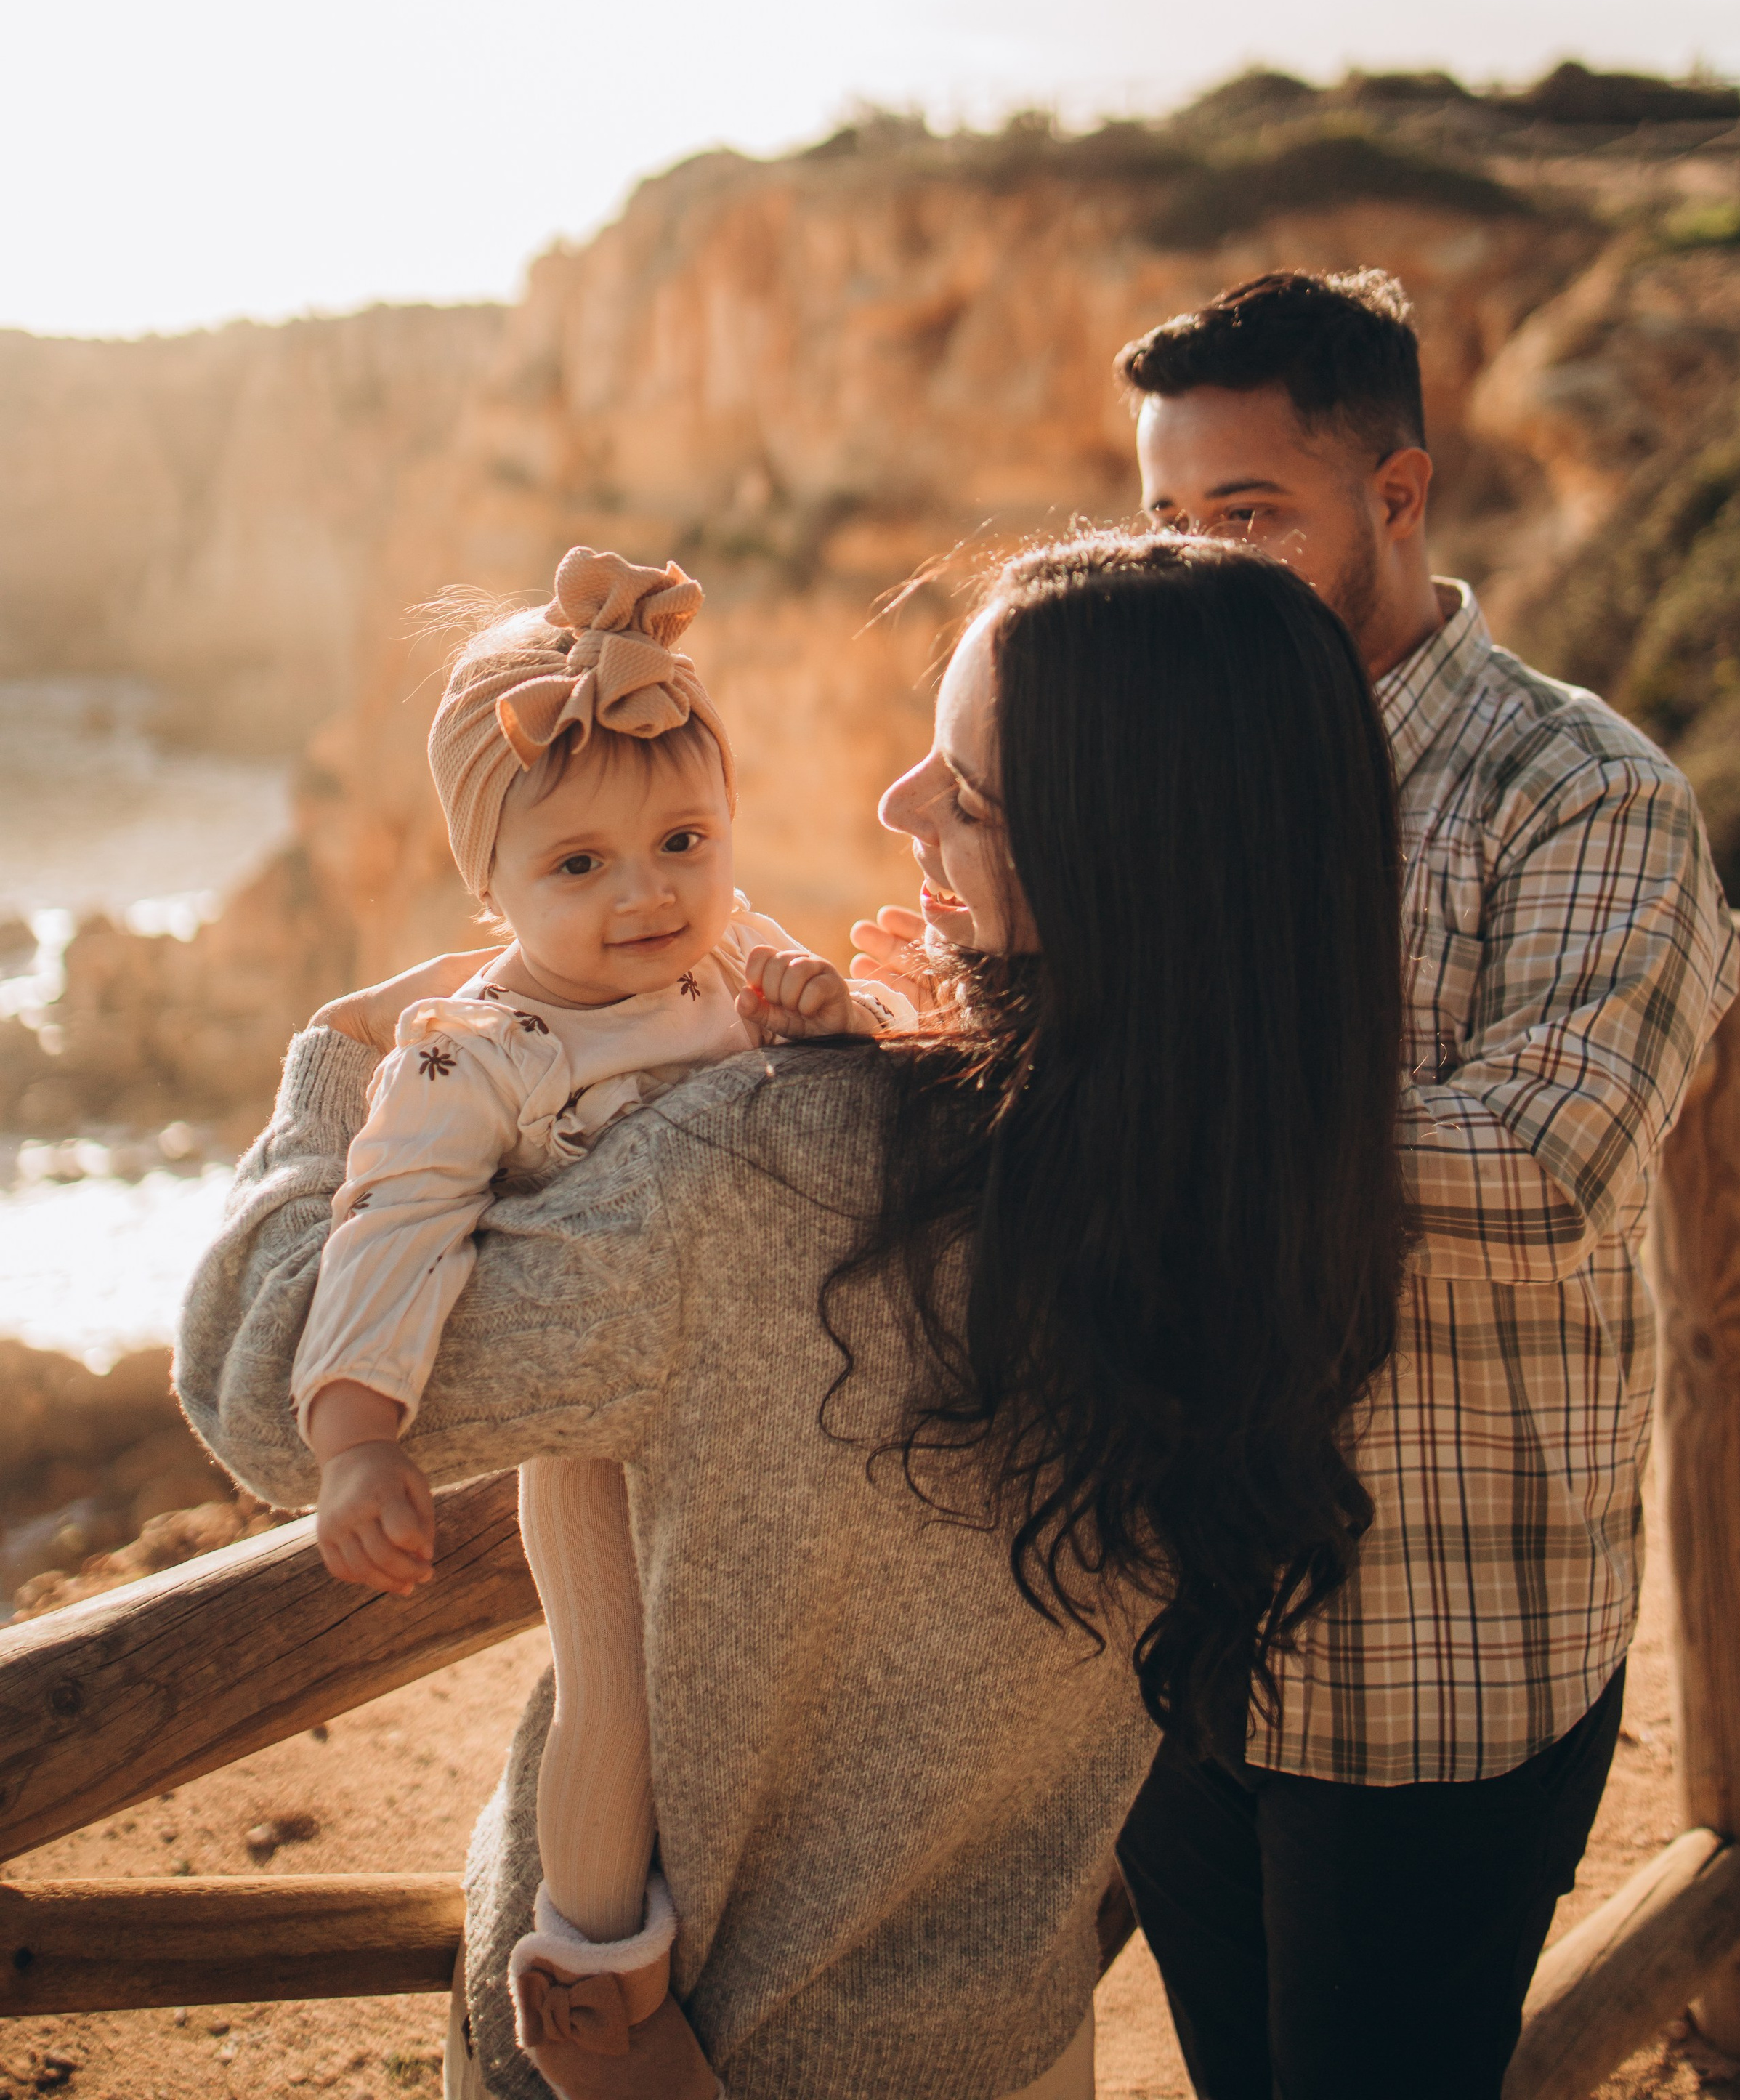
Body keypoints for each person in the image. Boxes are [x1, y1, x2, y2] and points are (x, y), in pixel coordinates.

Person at [177, 528, 1410, 2100]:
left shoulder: (769, 1172)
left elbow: (265, 1387)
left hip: (704, 2053)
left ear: (1110, 853)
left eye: (965, 790)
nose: (895, 801)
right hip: (1004, 2037)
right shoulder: (1276, 1188)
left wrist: (350, 1059)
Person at [1099, 271, 1736, 2099]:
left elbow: (1546, 1169)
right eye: (1163, 518)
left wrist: (1146, 1112)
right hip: (1161, 1618)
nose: (1195, 566)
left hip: (1433, 1650)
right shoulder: (1156, 780)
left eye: (1246, 516)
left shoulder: (1581, 792)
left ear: (1396, 495)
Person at [291, 544, 908, 2100]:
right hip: (600, 1454)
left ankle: (781, 1935)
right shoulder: (475, 1054)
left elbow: (866, 1081)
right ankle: (591, 1988)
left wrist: (839, 1023)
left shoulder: (733, 955)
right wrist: (358, 1441)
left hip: (773, 1416)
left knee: (776, 1686)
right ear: (486, 887)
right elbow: (391, 1227)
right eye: (579, 866)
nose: (647, 893)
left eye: (683, 842)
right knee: (614, 1692)